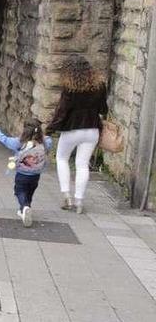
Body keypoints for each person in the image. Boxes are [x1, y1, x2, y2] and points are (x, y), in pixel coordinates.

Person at [46, 56, 108, 214]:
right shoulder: (99, 86)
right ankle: (79, 201)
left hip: (72, 130)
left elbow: (62, 112)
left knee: (61, 159)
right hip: (92, 130)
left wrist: (50, 128)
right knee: (82, 165)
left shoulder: (70, 88)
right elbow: (103, 110)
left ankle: (67, 196)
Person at [0, 119, 52, 227]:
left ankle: (24, 207)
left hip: (22, 174)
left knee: (19, 191)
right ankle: (25, 209)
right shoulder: (46, 142)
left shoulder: (19, 142)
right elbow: (48, 141)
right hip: (36, 175)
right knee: (30, 192)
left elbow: (5, 140)